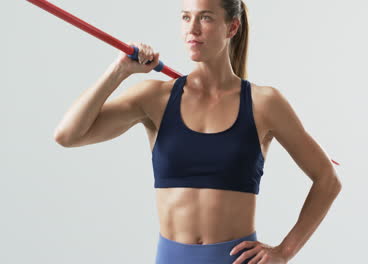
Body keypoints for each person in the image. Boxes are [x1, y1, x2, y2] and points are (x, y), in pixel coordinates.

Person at [53, 0, 342, 263]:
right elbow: (68, 135)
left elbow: (327, 180)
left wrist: (283, 252)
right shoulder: (155, 98)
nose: (192, 29)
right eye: (185, 17)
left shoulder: (264, 103)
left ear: (232, 27)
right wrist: (118, 71)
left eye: (204, 18)